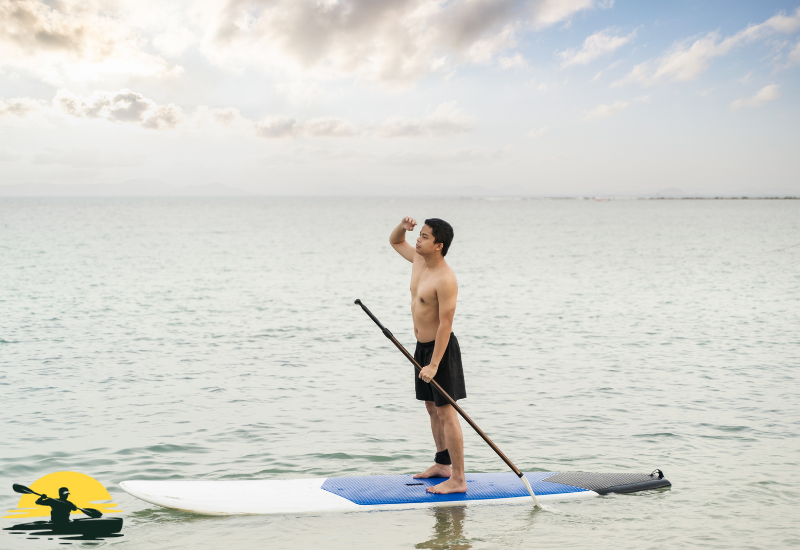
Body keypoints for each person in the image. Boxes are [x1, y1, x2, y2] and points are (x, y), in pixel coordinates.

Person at [389, 216, 467, 494]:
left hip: (440, 351)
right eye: (419, 234)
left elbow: (446, 323)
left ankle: (458, 479)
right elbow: (396, 241)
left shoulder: (446, 279)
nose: (417, 239)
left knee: (447, 412)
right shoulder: (420, 261)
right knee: (431, 408)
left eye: (424, 236)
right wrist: (403, 227)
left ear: (438, 245)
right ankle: (442, 464)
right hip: (421, 348)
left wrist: (434, 364)